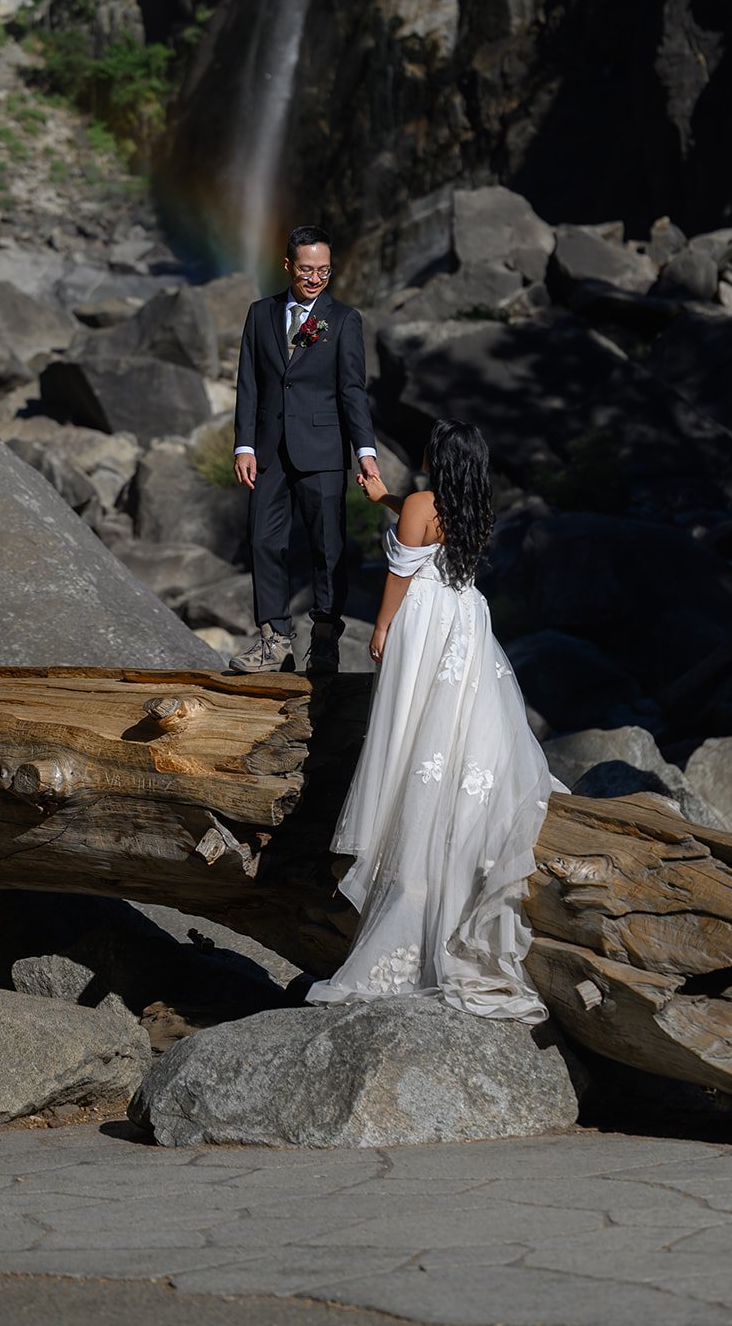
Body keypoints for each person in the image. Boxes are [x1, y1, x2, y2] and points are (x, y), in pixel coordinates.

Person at [306, 419, 564, 1021]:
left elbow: (401, 572)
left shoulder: (422, 503)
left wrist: (381, 625)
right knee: (453, 728)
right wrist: (386, 498)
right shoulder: (470, 505)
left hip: (423, 622)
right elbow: (424, 517)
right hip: (465, 622)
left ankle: (398, 860)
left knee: (406, 729)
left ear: (439, 457)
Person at [231, 225, 381, 675]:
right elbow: (249, 385)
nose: (315, 279)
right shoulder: (260, 315)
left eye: (324, 270)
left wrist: (365, 452)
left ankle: (326, 639)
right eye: (306, 270)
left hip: (324, 449)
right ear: (287, 266)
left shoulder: (344, 319)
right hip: (269, 449)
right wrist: (244, 445)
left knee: (327, 547)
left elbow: (353, 391)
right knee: (262, 540)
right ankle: (274, 640)